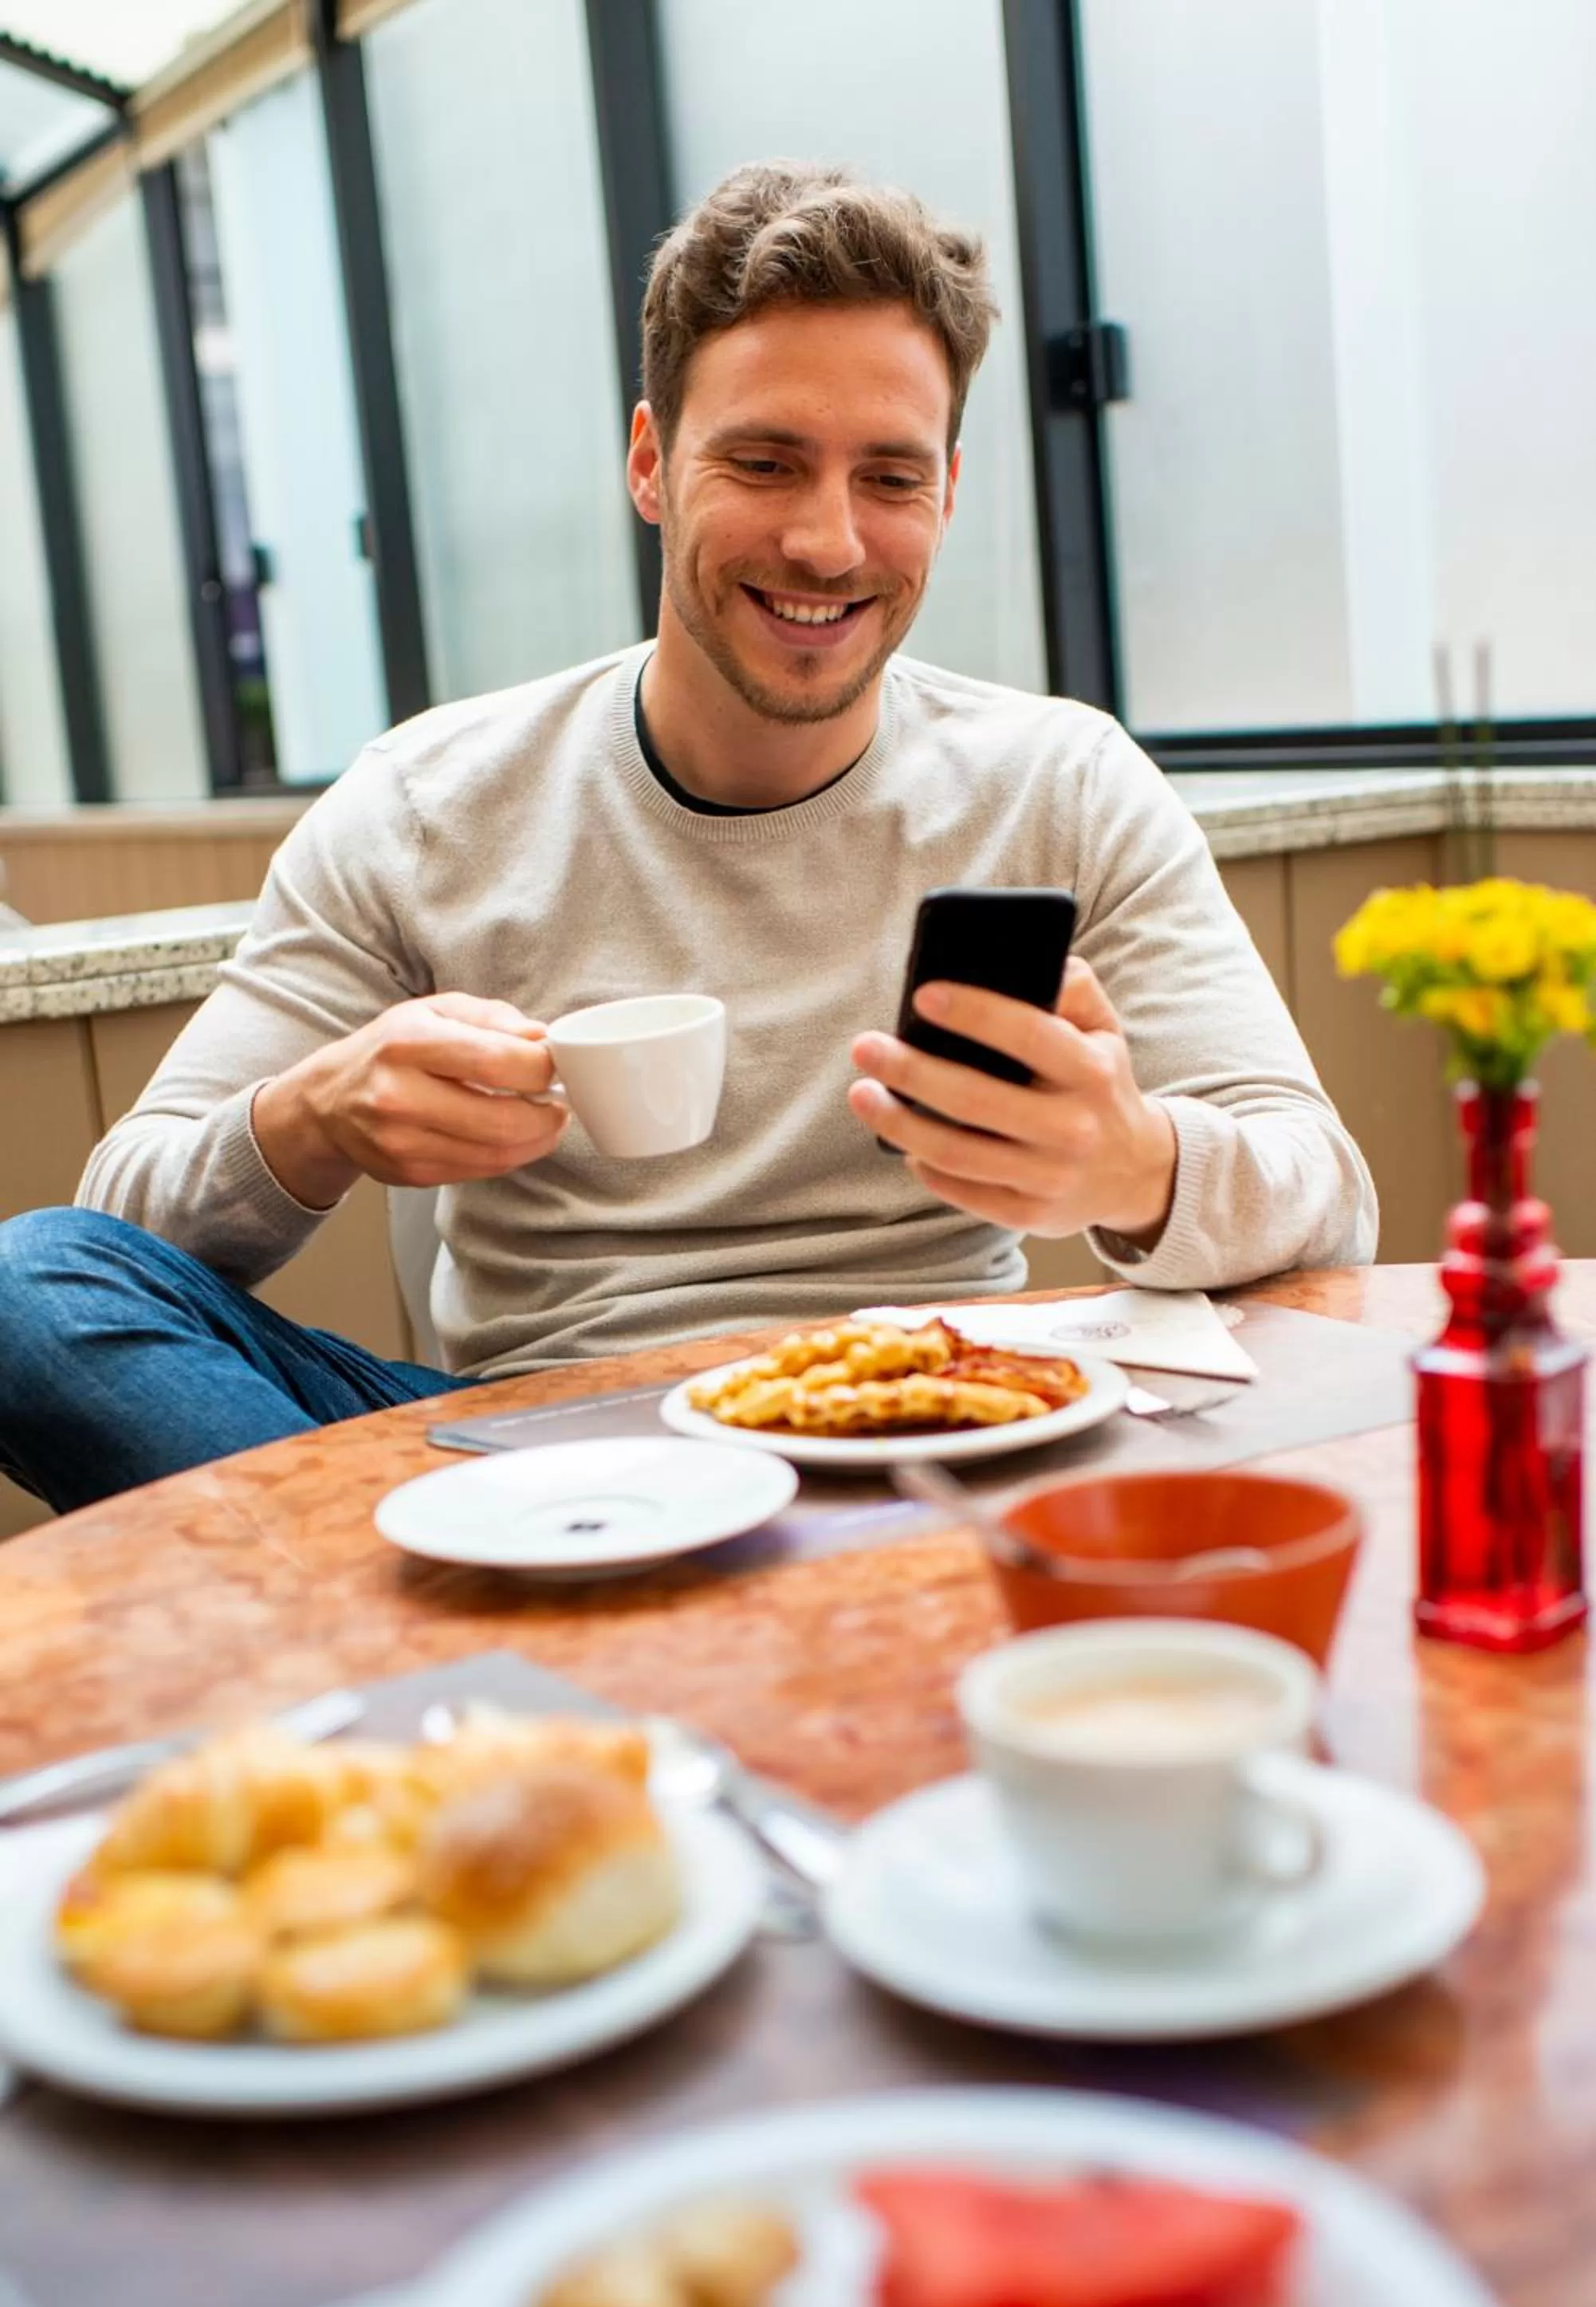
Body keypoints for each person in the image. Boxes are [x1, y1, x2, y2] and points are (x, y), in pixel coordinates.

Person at [0, 163, 1375, 1515]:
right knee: (28, 1287)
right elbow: (124, 1222)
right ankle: (472, 1606)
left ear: (946, 493)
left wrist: (1133, 1166)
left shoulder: (1057, 783)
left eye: (887, 477)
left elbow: (1324, 1199)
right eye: (764, 462)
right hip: (539, 1457)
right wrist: (311, 1117)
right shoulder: (428, 805)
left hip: (932, 1420)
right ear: (653, 463)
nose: (829, 541)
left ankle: (422, 1643)